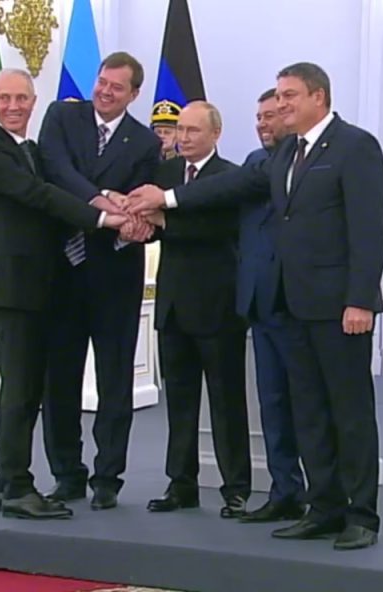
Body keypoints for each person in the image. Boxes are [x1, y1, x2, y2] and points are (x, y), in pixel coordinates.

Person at [125, 62, 383, 550]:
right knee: (308, 412)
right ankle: (324, 508)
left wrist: (360, 300)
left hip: (339, 308)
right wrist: (167, 197)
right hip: (291, 305)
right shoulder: (285, 152)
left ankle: (362, 516)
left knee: (348, 412)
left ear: (319, 97)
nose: (281, 104)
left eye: (290, 96)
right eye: (279, 96)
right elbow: (230, 187)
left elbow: (370, 231)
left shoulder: (355, 146)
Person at [0, 68, 127, 520]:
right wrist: (103, 217)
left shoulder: (30, 151)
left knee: (27, 391)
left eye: (22, 98)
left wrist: (111, 200)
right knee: (20, 393)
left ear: (34, 101)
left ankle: (5, 483)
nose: (14, 106)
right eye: (5, 98)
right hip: (14, 290)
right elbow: (40, 196)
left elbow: (56, 191)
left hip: (37, 290)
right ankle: (17, 486)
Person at [37, 51, 161, 511]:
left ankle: (108, 477)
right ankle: (67, 473)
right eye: (102, 82)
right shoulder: (62, 117)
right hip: (62, 272)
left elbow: (143, 202)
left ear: (134, 94)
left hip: (116, 274)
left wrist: (136, 221)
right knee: (59, 380)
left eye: (116, 87)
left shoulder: (145, 142)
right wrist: (102, 199)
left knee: (115, 381)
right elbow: (57, 171)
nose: (105, 92)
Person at [141, 101, 251, 519]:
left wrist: (166, 222)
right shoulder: (165, 174)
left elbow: (220, 228)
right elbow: (152, 225)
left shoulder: (231, 177)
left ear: (215, 134)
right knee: (180, 402)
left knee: (226, 402)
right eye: (179, 130)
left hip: (218, 308)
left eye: (192, 131)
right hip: (173, 306)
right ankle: (181, 484)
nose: (182, 138)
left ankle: (236, 488)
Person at [236, 88, 306, 524]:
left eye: (270, 116)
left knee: (307, 404)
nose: (263, 124)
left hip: (296, 302)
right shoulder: (252, 162)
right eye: (258, 117)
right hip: (260, 303)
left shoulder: (300, 162)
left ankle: (327, 492)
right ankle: (285, 490)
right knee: (273, 403)